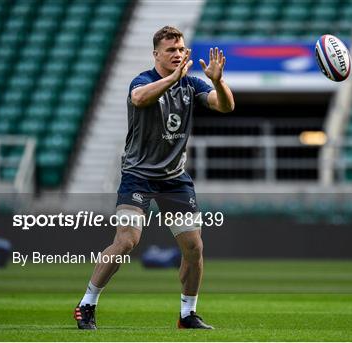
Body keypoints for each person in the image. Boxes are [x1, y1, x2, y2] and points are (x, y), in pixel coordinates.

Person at [73, 26, 235, 330]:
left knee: (194, 247)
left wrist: (218, 80)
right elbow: (139, 98)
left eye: (182, 49)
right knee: (126, 241)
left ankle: (187, 314)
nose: (178, 54)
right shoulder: (143, 80)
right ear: (156, 54)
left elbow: (226, 105)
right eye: (171, 50)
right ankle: (86, 305)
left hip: (174, 178)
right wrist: (171, 79)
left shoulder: (193, 85)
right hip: (138, 176)